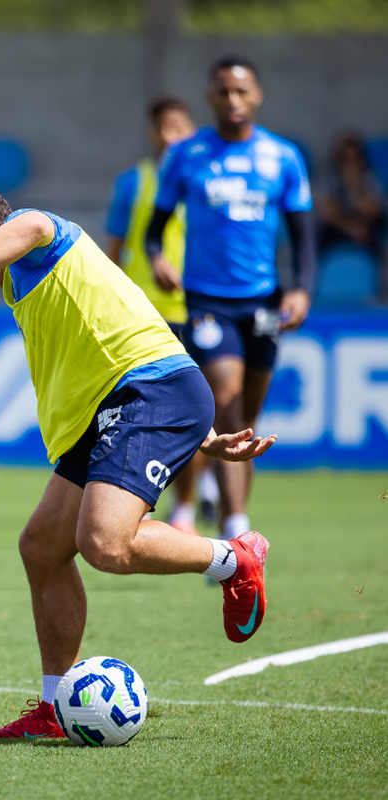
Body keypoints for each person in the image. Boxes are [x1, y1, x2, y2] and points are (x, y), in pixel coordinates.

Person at [0, 181, 276, 739]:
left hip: (143, 393)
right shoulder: (20, 281)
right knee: (42, 547)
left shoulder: (35, 234)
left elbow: (32, 226)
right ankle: (57, 709)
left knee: (105, 543)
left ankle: (234, 558)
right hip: (115, 409)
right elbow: (110, 334)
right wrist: (201, 436)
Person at [145, 55, 317, 543]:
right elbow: (155, 229)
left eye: (242, 91)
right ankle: (236, 533)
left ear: (257, 95)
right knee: (227, 404)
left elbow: (302, 236)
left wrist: (301, 289)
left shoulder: (282, 157)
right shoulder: (187, 155)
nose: (233, 100)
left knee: (247, 423)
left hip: (262, 302)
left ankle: (230, 510)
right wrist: (158, 258)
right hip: (207, 303)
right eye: (224, 92)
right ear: (210, 98)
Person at [104, 96, 217, 534]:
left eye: (180, 128)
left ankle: (195, 498)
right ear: (153, 133)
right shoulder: (134, 183)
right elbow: (113, 251)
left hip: (202, 310)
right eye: (164, 128)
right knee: (153, 414)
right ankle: (182, 503)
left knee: (204, 410)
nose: (172, 136)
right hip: (146, 316)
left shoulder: (206, 184)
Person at [316, 130, 386, 300]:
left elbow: (373, 210)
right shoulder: (328, 177)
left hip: (365, 230)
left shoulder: (369, 178)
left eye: (354, 159)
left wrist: (354, 186)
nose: (349, 163)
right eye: (345, 159)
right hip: (337, 231)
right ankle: (313, 292)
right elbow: (327, 213)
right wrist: (350, 228)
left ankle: (381, 294)